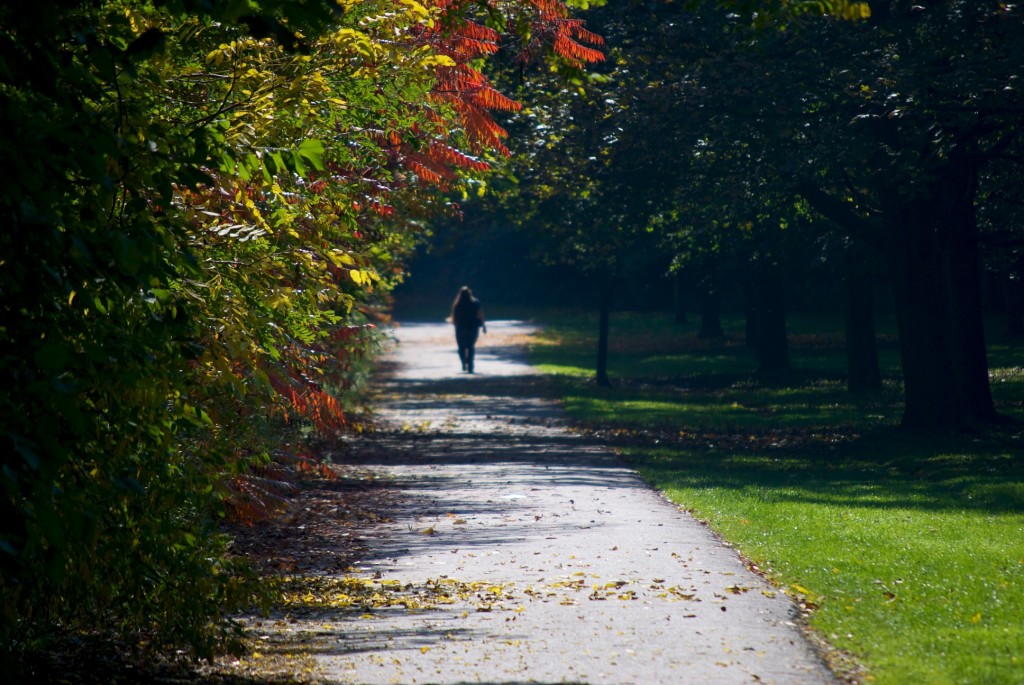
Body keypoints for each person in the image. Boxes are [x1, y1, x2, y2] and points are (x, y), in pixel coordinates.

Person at [450, 286, 486, 373]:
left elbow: (454, 317)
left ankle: (463, 362)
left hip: (461, 327)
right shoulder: (476, 303)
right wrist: (483, 325)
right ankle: (470, 365)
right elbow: (480, 314)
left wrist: (455, 324)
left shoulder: (457, 304)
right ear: (470, 293)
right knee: (470, 346)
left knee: (461, 347)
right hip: (473, 327)